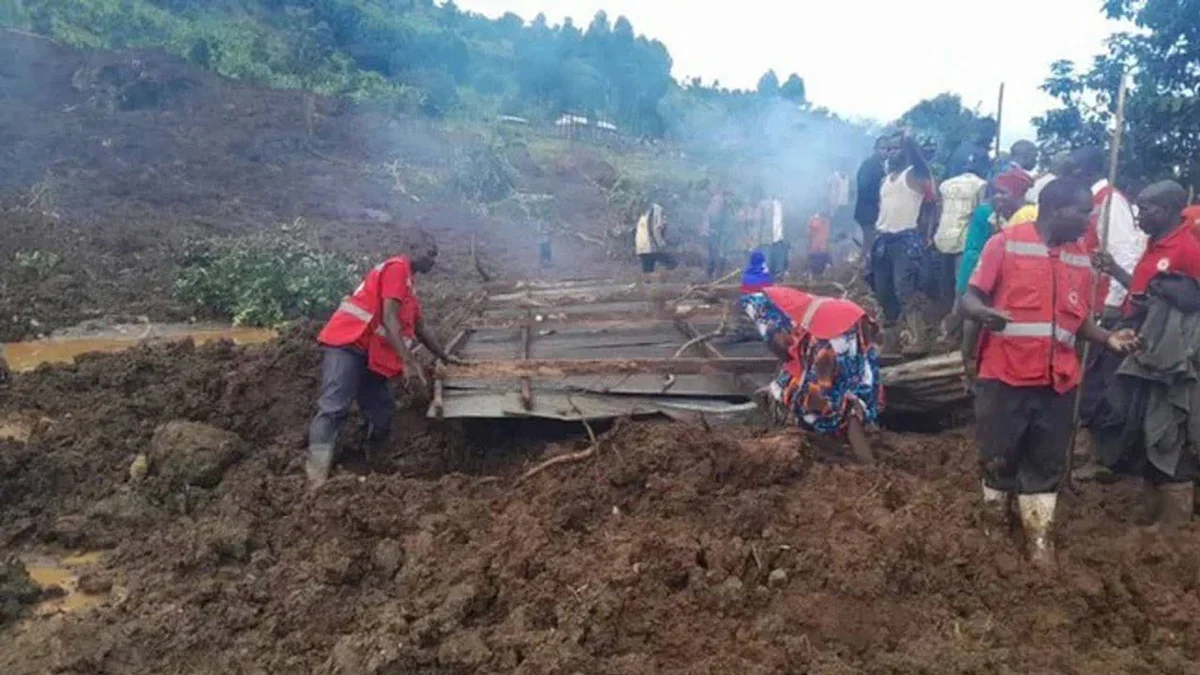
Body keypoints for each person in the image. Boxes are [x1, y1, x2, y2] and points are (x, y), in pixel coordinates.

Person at [961, 178, 1139, 565]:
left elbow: (1079, 322)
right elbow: (969, 298)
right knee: (999, 457)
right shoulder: (1004, 244)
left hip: (1057, 381)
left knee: (1046, 462)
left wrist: (1108, 338)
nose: (1088, 221)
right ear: (1056, 209)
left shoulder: (1079, 257)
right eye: (1082, 213)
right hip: (1004, 376)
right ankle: (993, 530)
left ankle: (1040, 541)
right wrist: (983, 314)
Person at [306, 234, 461, 488]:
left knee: (382, 411)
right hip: (348, 343)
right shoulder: (397, 269)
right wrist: (408, 362)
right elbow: (389, 318)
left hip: (370, 352)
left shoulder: (408, 288)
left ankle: (370, 462)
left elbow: (420, 326)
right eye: (430, 253)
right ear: (413, 248)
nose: (434, 261)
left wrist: (444, 355)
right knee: (334, 407)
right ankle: (316, 479)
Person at [1090, 181, 1200, 522]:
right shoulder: (1154, 244)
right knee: (1141, 424)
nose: (1139, 217)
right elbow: (1144, 293)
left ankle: (1175, 521)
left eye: (1146, 210)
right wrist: (1115, 271)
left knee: (1168, 426)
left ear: (1167, 211)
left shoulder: (1188, 248)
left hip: (1172, 362)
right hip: (1142, 354)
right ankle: (1152, 507)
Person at [739, 284, 883, 463]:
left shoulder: (762, 310)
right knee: (853, 382)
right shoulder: (784, 299)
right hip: (850, 317)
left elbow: (783, 347)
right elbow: (794, 357)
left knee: (822, 398)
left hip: (832, 327)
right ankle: (858, 432)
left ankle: (863, 457)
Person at [871, 134, 933, 342]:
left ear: (906, 151)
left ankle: (918, 338)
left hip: (905, 239)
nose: (891, 153)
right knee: (883, 291)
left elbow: (920, 162)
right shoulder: (884, 180)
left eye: (896, 148)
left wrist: (909, 141)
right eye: (888, 149)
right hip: (883, 239)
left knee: (904, 290)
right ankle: (892, 340)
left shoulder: (915, 175)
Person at [956, 169, 1036, 301]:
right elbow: (972, 252)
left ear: (1019, 193)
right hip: (982, 281)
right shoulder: (985, 215)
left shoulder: (1032, 217)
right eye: (995, 192)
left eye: (1003, 192)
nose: (997, 196)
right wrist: (965, 288)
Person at [934, 167, 988, 314]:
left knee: (946, 281)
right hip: (964, 238)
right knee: (962, 283)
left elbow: (939, 209)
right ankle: (956, 318)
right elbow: (980, 213)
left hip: (943, 237)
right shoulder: (981, 185)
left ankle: (946, 317)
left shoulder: (945, 185)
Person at [854, 136, 891, 256]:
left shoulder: (881, 165)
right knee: (870, 243)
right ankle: (863, 269)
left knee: (869, 243)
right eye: (883, 148)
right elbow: (864, 188)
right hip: (868, 211)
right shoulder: (869, 165)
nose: (886, 152)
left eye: (888, 149)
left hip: (872, 210)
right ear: (875, 149)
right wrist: (880, 197)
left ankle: (863, 268)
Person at [635, 201, 673, 276]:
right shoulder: (656, 209)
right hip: (651, 246)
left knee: (647, 272)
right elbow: (657, 227)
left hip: (642, 247)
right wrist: (660, 243)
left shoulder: (643, 214)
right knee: (672, 263)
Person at [703, 189, 734, 279]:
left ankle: (713, 275)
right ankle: (713, 276)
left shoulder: (720, 201)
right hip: (715, 232)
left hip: (717, 231)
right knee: (716, 253)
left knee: (715, 253)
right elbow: (714, 216)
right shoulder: (719, 201)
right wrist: (713, 228)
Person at [766, 197, 789, 278]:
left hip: (780, 237)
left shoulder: (784, 206)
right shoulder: (768, 206)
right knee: (770, 259)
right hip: (770, 238)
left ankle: (779, 273)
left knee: (781, 258)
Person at [807, 211, 832, 276]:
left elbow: (812, 228)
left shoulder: (822, 221)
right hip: (819, 246)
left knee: (820, 258)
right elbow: (809, 231)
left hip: (819, 247)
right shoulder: (825, 221)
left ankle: (823, 271)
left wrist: (814, 218)